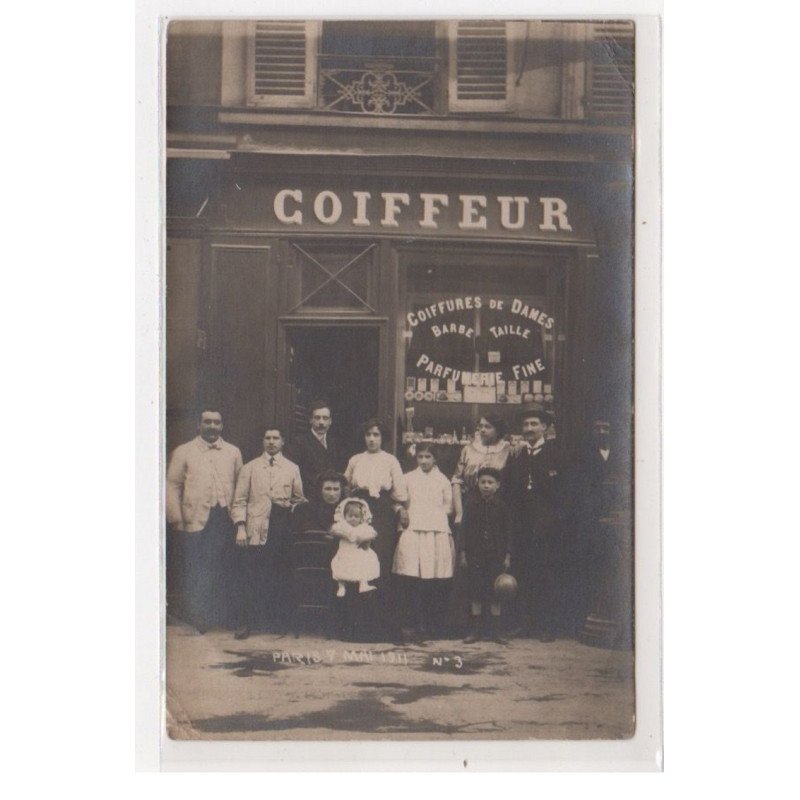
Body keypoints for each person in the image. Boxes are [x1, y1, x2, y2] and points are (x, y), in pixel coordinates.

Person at [165, 409, 242, 632]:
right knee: (198, 569)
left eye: (216, 422)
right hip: (195, 518)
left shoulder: (233, 452)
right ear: (198, 425)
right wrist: (176, 517)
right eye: (207, 422)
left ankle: (222, 616)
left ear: (222, 426)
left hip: (225, 518)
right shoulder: (184, 451)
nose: (212, 426)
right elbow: (172, 486)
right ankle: (199, 616)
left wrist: (239, 519)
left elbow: (239, 484)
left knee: (224, 568)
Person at [230, 426, 305, 640]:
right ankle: (245, 622)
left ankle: (277, 621)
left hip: (281, 529)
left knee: (279, 576)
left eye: (276, 438)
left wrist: (287, 506)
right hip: (254, 528)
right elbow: (240, 501)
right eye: (267, 438)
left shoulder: (292, 468)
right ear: (263, 441)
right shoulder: (250, 468)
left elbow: (299, 499)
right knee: (250, 577)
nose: (271, 442)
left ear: (283, 442)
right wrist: (241, 527)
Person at [344, 418, 408, 640]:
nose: (371, 439)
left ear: (383, 438)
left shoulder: (391, 461)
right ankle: (358, 627)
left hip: (382, 513)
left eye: (376, 435)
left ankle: (382, 628)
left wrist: (399, 510)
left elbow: (399, 494)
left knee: (378, 562)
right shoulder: (355, 460)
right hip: (358, 511)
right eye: (368, 435)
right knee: (356, 562)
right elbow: (347, 486)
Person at [503, 407, 562, 642]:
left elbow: (564, 492)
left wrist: (555, 519)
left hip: (547, 528)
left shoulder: (556, 454)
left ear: (545, 427)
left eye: (534, 424)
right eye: (526, 425)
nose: (529, 429)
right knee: (522, 574)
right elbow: (508, 490)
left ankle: (545, 626)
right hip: (521, 527)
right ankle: (523, 624)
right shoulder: (517, 456)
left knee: (545, 575)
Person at [393, 444, 455, 641]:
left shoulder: (443, 480)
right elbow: (397, 500)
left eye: (428, 457)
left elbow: (448, 506)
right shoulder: (408, 477)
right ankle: (414, 624)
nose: (424, 461)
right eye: (420, 456)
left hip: (435, 532)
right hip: (413, 530)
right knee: (413, 578)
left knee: (433, 579)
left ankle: (431, 625)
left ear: (435, 459)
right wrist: (403, 512)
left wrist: (433, 517)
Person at [459, 466, 512, 645]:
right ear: (477, 483)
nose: (486, 486)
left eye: (490, 483)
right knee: (476, 591)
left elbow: (508, 532)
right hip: (475, 555)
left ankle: (496, 632)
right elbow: (464, 531)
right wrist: (463, 553)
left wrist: (507, 555)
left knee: (495, 592)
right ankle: (475, 631)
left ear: (497, 485)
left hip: (496, 555)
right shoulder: (471, 504)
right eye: (483, 482)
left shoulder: (503, 506)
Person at [451, 414, 512, 527]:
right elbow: (456, 481)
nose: (482, 430)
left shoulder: (508, 450)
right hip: (471, 504)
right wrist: (459, 513)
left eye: (488, 427)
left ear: (498, 430)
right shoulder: (468, 450)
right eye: (481, 426)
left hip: (498, 506)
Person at [285, 401, 346, 495]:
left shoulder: (336, 444)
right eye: (317, 418)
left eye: (325, 418)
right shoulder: (299, 443)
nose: (321, 422)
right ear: (310, 420)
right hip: (309, 496)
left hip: (332, 496)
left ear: (330, 421)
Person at [330, 498, 380, 596]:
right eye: (350, 516)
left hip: (359, 553)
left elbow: (373, 534)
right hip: (345, 552)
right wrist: (346, 535)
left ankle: (363, 584)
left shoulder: (364, 527)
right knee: (341, 568)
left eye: (356, 516)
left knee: (364, 566)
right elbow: (333, 531)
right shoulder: (343, 526)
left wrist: (363, 538)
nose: (353, 518)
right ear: (344, 516)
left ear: (362, 518)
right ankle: (341, 587)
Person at [291, 469, 346, 535]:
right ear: (320, 490)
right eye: (328, 489)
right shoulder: (304, 510)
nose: (332, 494)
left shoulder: (347, 511)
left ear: (341, 491)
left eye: (336, 489)